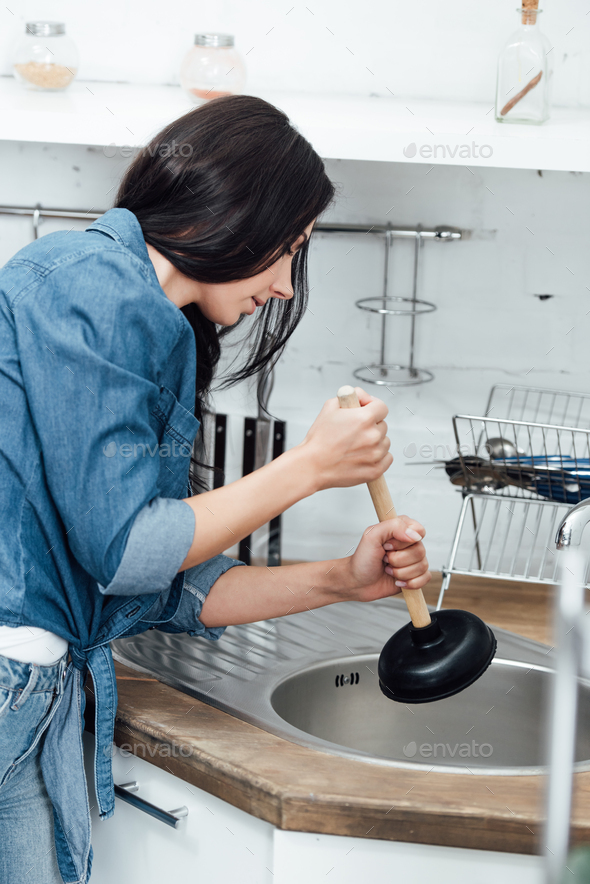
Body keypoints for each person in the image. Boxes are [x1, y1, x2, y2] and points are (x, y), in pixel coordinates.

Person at [0, 95, 430, 884]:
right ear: (226, 215)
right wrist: (310, 466)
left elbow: (158, 586)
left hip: (32, 688)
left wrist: (343, 580)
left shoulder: (146, 318)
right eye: (288, 248)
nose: (288, 287)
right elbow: (128, 552)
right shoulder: (92, 284)